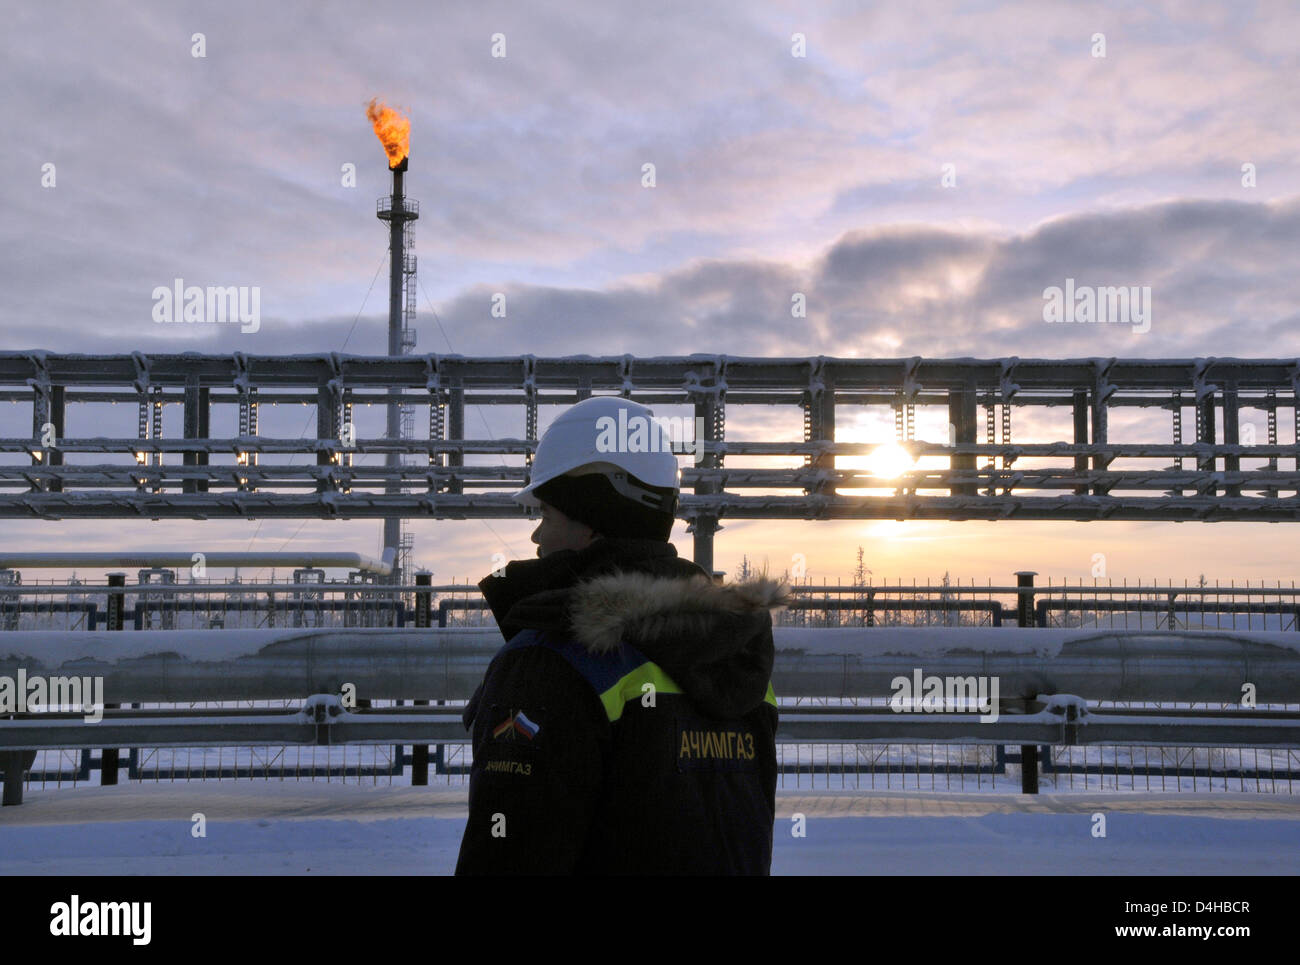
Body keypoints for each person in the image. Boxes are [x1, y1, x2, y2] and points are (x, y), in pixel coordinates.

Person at [454, 395, 788, 875]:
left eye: (545, 514)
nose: (536, 538)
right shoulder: (739, 659)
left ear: (590, 521)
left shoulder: (552, 663)